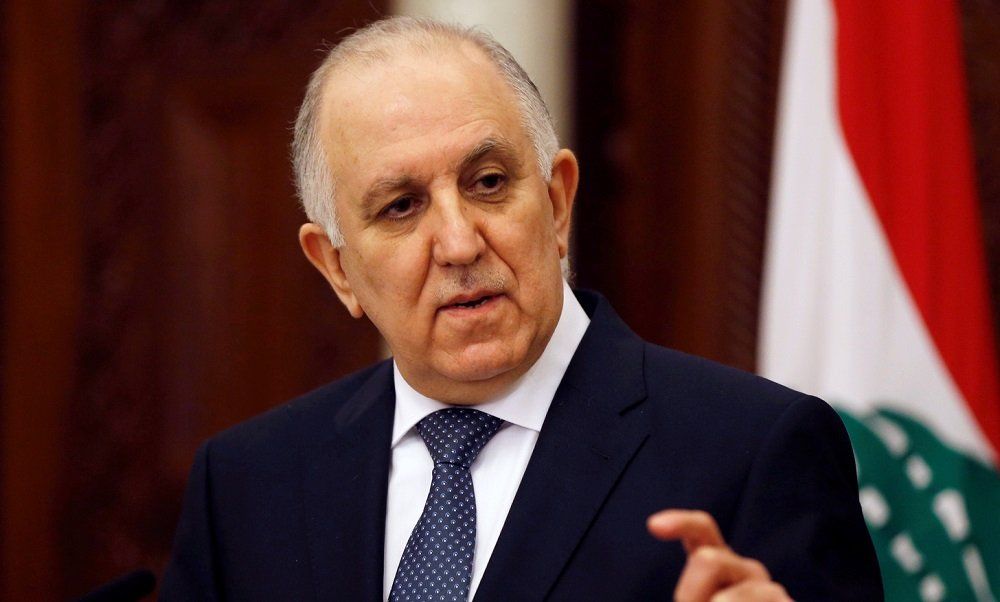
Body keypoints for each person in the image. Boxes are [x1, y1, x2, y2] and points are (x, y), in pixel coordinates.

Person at [161, 17, 882, 601]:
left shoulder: (753, 452)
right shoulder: (247, 487)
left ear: (558, 203)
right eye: (402, 206)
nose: (459, 242)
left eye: (488, 182)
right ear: (337, 267)